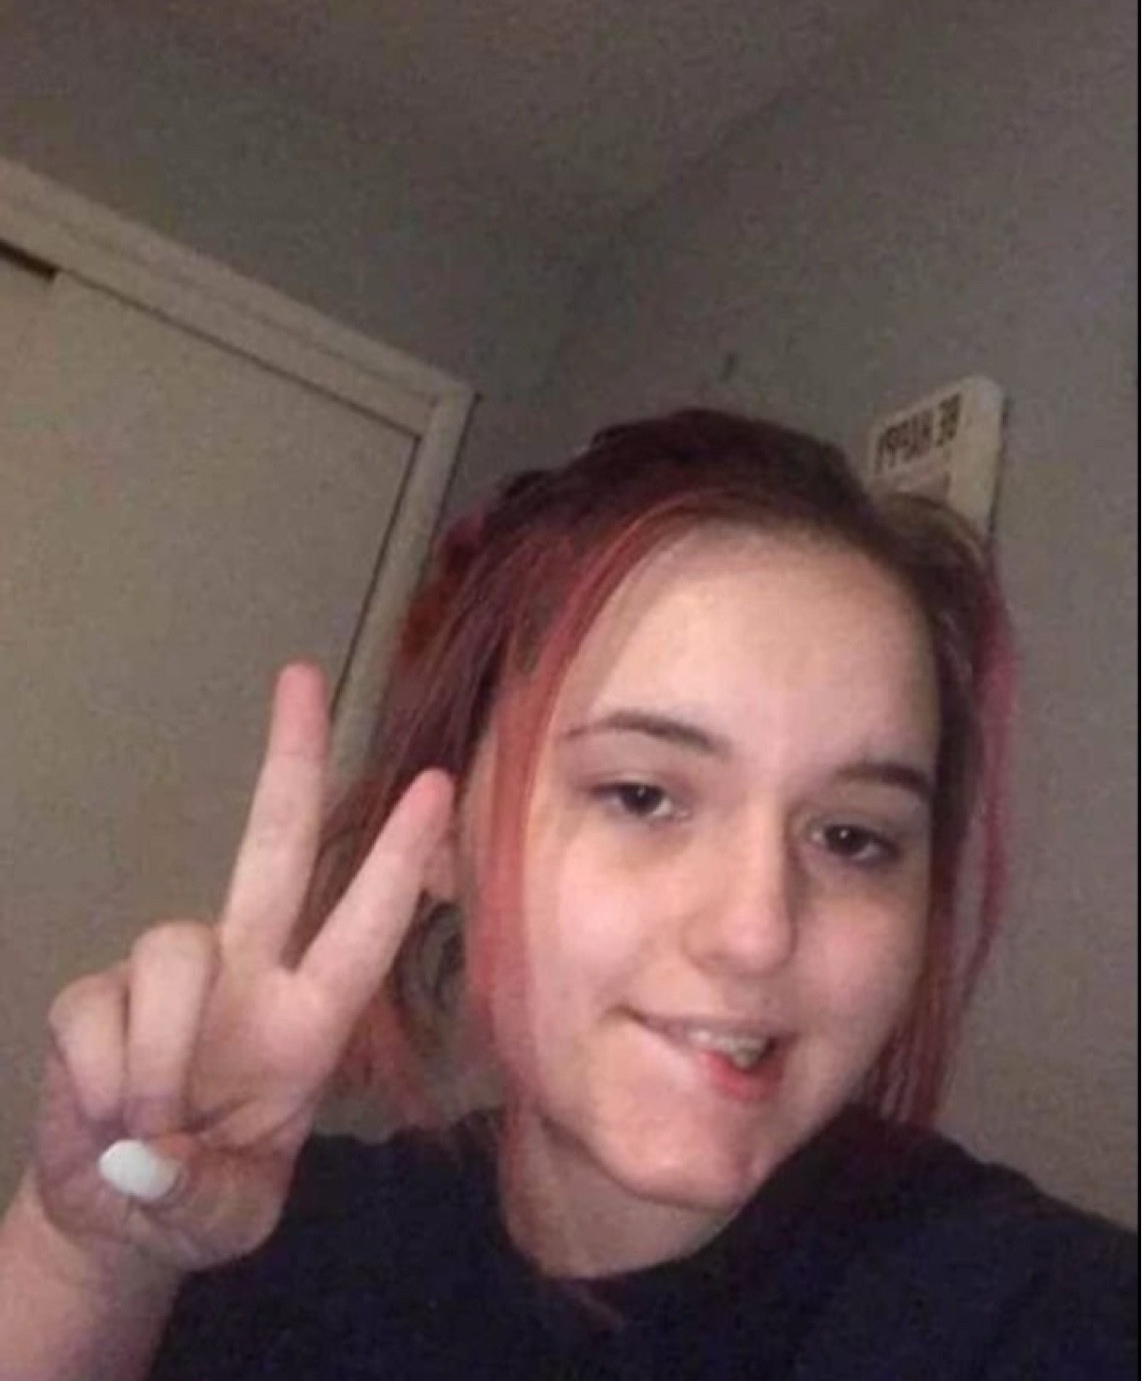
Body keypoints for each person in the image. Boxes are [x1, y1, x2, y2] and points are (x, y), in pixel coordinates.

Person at [0, 408, 1133, 1380]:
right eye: (642, 796)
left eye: (851, 837)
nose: (754, 932)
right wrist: (87, 1256)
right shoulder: (255, 1237)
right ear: (440, 831)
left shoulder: (1034, 1313)